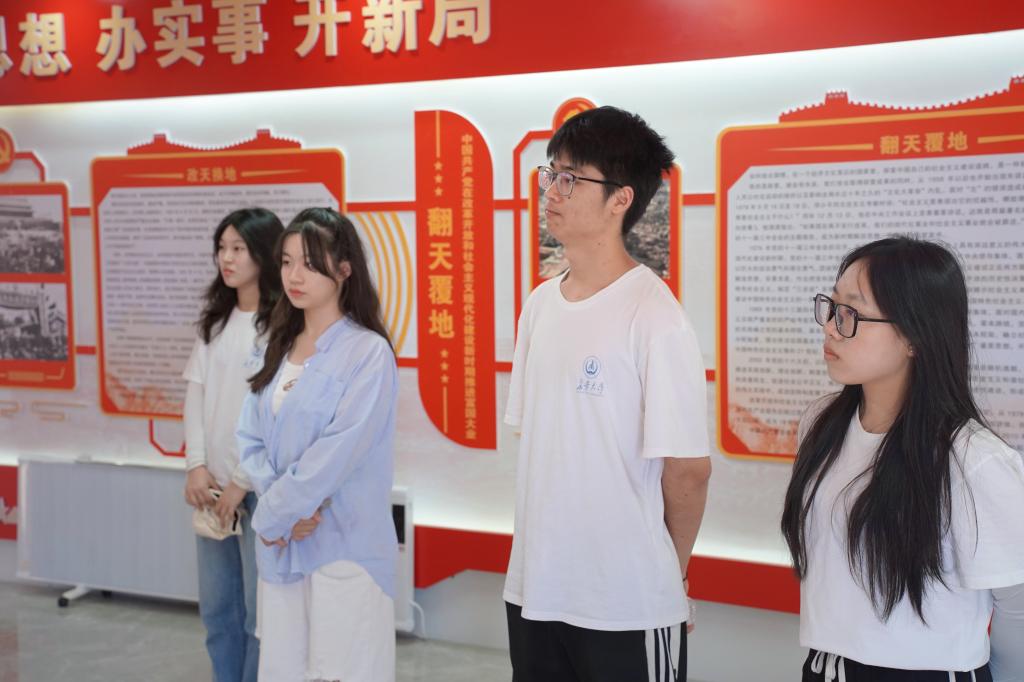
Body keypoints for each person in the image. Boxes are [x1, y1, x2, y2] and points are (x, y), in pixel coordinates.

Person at [503, 106, 712, 682]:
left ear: (621, 198)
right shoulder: (539, 305)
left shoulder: (655, 316)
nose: (552, 190)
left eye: (572, 178)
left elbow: (688, 470)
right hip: (536, 587)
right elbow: (543, 443)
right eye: (552, 173)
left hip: (627, 601)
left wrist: (671, 572)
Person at [781, 237, 1024, 682]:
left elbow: (1018, 604)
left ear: (914, 336)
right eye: (831, 307)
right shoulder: (821, 423)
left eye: (851, 313)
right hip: (825, 666)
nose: (830, 327)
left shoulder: (974, 461)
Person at [237, 207, 398, 682]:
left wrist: (274, 515)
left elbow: (338, 452)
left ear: (345, 269)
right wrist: (281, 512)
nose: (294, 276)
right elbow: (249, 438)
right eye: (287, 262)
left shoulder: (368, 353)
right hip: (283, 547)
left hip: (343, 545)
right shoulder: (274, 343)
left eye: (309, 263)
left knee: (342, 671)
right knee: (283, 669)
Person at [182, 207, 284, 682]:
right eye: (222, 248)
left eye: (238, 248)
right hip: (213, 489)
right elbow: (196, 394)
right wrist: (196, 465)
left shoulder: (282, 324)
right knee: (218, 609)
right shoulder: (215, 322)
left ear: (263, 253)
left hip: (258, 489)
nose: (227, 258)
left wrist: (244, 479)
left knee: (258, 615)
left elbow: (274, 412)